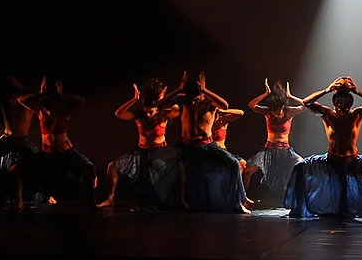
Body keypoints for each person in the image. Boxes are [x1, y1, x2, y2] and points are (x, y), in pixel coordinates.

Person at [283, 76, 362, 219]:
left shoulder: (357, 114)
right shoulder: (328, 114)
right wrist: (327, 90)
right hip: (331, 160)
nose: (342, 103)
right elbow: (306, 102)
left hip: (353, 160)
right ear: (335, 101)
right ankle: (299, 208)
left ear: (350, 101)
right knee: (300, 167)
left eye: (345, 100)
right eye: (340, 100)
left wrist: (357, 92)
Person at [158, 71, 250, 214]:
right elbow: (160, 105)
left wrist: (205, 89)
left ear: (200, 93)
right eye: (190, 96)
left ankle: (238, 202)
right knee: (162, 164)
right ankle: (179, 201)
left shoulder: (209, 103)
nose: (192, 101)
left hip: (206, 145)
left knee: (233, 164)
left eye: (195, 97)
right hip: (186, 146)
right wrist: (178, 89)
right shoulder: (184, 101)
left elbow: (225, 105)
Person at [96, 79, 182, 209]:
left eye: (150, 112)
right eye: (146, 111)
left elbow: (178, 110)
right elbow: (119, 114)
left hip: (160, 152)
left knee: (175, 169)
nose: (148, 114)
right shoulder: (139, 115)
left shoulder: (163, 114)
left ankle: (179, 200)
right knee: (112, 166)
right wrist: (134, 99)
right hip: (141, 153)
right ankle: (110, 199)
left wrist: (163, 99)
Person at [14, 77, 96, 210]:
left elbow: (81, 100)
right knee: (17, 169)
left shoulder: (64, 110)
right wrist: (41, 93)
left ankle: (92, 203)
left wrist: (60, 95)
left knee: (90, 168)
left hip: (65, 151)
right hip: (46, 153)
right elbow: (21, 99)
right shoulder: (41, 110)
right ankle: (20, 202)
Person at [0, 75, 42, 205]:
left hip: (23, 141)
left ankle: (45, 194)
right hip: (7, 139)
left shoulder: (27, 104)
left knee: (40, 163)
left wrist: (20, 85)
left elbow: (38, 95)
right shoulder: (6, 101)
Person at [245, 79, 305, 205]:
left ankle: (300, 200)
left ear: (283, 107)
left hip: (285, 151)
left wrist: (291, 96)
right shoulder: (267, 112)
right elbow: (251, 105)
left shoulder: (289, 112)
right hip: (269, 150)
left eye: (277, 111)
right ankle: (243, 199)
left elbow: (306, 106)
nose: (275, 115)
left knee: (302, 166)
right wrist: (265, 94)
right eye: (273, 111)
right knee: (248, 170)